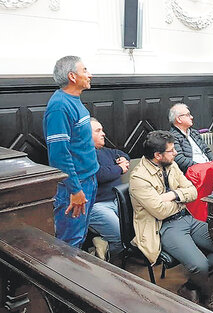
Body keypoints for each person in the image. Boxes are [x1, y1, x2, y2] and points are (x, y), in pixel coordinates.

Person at [130, 130, 213, 311]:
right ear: (158, 155)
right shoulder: (139, 177)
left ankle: (190, 288)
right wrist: (182, 199)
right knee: (200, 265)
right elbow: (160, 211)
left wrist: (172, 194)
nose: (176, 153)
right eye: (171, 150)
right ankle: (205, 297)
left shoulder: (170, 165)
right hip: (164, 227)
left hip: (186, 218)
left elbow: (193, 191)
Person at [43, 56, 98, 247]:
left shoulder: (73, 100)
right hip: (74, 186)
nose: (89, 75)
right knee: (69, 243)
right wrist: (75, 189)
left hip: (88, 179)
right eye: (85, 70)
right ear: (72, 76)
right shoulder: (59, 106)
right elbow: (59, 155)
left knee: (80, 236)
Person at [88, 117, 129, 260]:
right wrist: (119, 168)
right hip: (98, 205)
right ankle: (100, 257)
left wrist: (123, 160)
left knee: (139, 227)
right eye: (98, 130)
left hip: (118, 201)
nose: (103, 133)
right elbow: (99, 174)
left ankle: (102, 243)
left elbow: (122, 154)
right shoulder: (84, 154)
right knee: (120, 236)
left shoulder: (106, 151)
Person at [169, 103, 213, 173]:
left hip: (208, 168)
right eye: (188, 115)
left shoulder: (194, 132)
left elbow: (207, 150)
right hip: (194, 172)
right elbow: (179, 159)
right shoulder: (172, 137)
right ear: (179, 119)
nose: (192, 117)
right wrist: (201, 166)